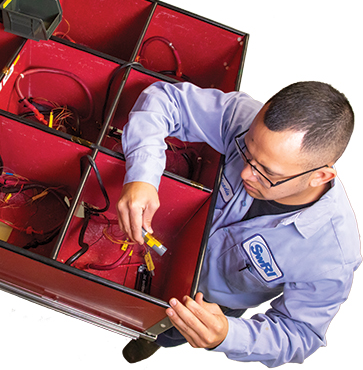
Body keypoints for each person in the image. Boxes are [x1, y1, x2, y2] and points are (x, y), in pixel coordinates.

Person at [116, 81, 360, 367]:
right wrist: (142, 175)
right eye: (247, 151)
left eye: (267, 172)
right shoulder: (244, 119)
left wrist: (228, 335)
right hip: (170, 239)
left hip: (206, 304)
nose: (246, 173)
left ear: (319, 177)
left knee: (168, 331)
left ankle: (152, 339)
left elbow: (301, 334)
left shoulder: (333, 255)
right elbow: (165, 99)